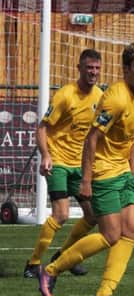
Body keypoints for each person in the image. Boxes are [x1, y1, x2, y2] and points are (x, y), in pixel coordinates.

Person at [37, 40, 134, 296]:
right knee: (111, 234)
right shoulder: (115, 97)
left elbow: (133, 138)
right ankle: (52, 270)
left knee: (132, 231)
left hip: (123, 172)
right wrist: (87, 180)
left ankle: (104, 294)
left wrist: (131, 171)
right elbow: (91, 140)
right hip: (103, 172)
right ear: (126, 69)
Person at [23, 49, 103, 279]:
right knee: (61, 214)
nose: (93, 72)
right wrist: (46, 155)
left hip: (80, 165)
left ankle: (63, 257)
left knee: (92, 216)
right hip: (58, 161)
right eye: (89, 67)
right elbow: (42, 128)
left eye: (97, 68)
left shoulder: (100, 96)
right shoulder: (65, 95)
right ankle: (33, 263)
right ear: (79, 68)